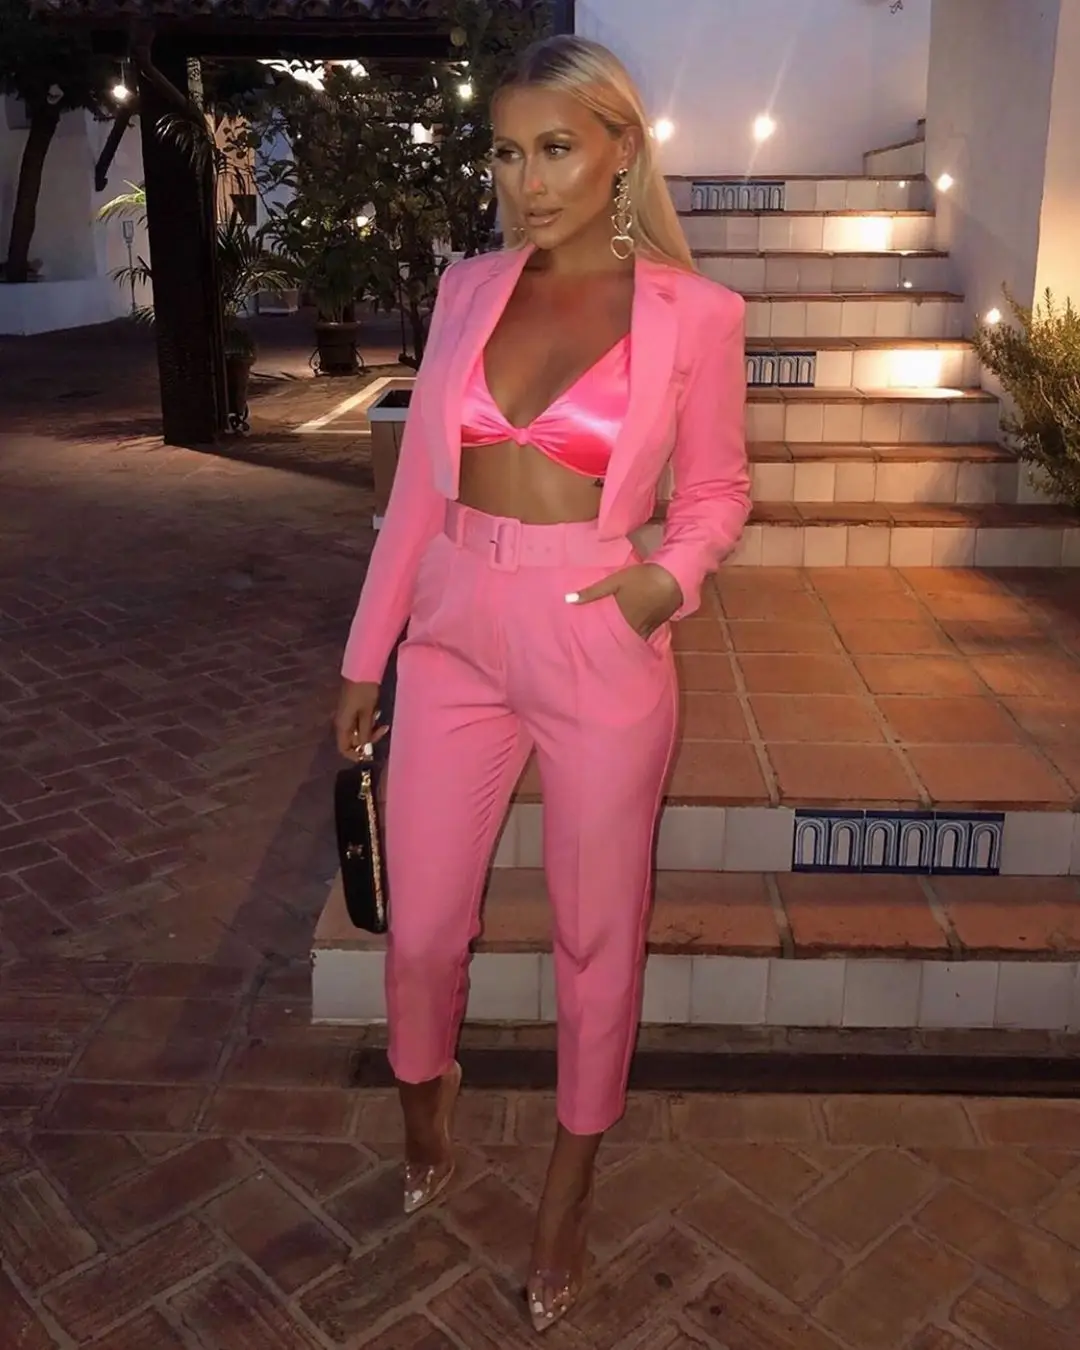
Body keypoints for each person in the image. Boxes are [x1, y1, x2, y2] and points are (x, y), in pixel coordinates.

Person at [334, 33, 749, 1334]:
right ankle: (426, 1093)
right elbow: (417, 493)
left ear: (622, 148)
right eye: (508, 153)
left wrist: (665, 580)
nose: (529, 180)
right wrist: (364, 654)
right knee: (422, 928)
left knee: (593, 935)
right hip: (454, 632)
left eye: (557, 148)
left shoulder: (697, 315)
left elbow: (719, 490)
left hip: (595, 635)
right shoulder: (469, 286)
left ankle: (569, 1184)